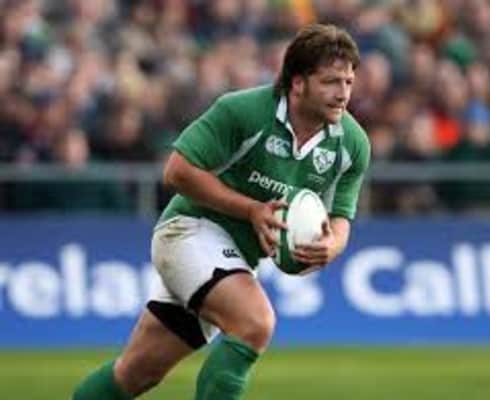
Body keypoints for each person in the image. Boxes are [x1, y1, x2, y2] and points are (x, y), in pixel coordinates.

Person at [72, 23, 370, 400]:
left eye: (348, 82)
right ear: (298, 83)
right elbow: (176, 171)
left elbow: (341, 215)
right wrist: (251, 210)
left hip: (236, 259)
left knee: (136, 373)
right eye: (330, 82)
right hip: (190, 230)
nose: (343, 93)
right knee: (254, 322)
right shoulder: (244, 111)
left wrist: (333, 246)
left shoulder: (352, 144)